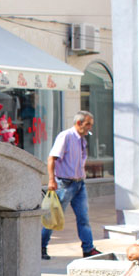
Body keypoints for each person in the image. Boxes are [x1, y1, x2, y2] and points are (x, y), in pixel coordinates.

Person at [41, 110, 100, 260]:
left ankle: (88, 248)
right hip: (64, 184)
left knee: (83, 217)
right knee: (53, 217)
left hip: (79, 184)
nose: (89, 128)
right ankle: (40, 247)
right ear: (79, 123)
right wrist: (51, 180)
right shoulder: (66, 136)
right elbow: (51, 158)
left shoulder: (82, 140)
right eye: (88, 124)